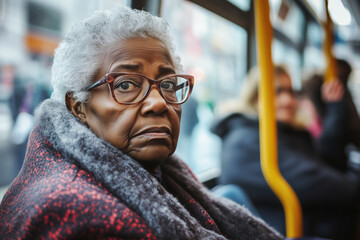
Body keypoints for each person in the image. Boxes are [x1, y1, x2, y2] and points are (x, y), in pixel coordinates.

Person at [0, 7, 283, 239]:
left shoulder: (163, 170)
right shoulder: (74, 215)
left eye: (169, 83)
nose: (159, 102)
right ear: (78, 107)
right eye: (125, 85)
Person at [211, 64, 360, 239]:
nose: (288, 100)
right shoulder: (247, 140)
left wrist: (336, 113)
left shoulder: (286, 133)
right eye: (278, 92)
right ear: (256, 98)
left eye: (290, 92)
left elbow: (326, 164)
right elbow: (317, 181)